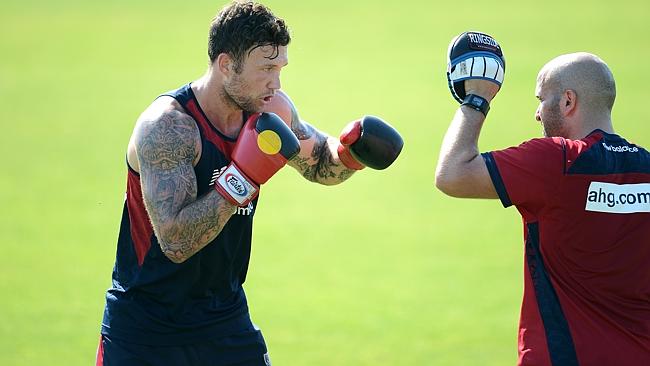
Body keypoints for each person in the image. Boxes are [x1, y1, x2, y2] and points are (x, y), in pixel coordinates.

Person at [96, 2, 403, 365]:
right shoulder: (169, 128)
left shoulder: (271, 110)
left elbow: (320, 163)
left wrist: (351, 155)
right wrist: (241, 178)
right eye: (266, 69)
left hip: (224, 319)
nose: (276, 83)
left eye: (280, 68)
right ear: (226, 65)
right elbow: (175, 242)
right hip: (145, 330)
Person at [436, 32, 650, 365]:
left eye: (541, 99)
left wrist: (477, 98)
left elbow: (452, 174)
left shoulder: (557, 161)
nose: (537, 113)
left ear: (568, 102)